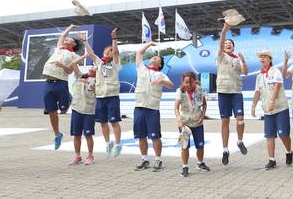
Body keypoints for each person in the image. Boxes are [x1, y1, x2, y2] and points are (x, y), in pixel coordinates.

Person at [133, 42, 175, 172]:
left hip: (152, 108)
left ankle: (158, 160)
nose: (154, 57)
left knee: (155, 135)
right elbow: (139, 53)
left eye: (157, 58)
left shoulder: (161, 74)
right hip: (139, 106)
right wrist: (149, 44)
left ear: (160, 64)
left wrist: (161, 82)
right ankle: (144, 159)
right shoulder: (142, 68)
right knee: (141, 135)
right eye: (153, 57)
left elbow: (171, 85)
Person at [83, 28, 123, 157]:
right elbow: (90, 53)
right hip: (100, 96)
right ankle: (108, 143)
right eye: (106, 50)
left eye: (110, 51)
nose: (108, 52)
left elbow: (116, 53)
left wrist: (114, 39)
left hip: (112, 96)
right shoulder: (99, 63)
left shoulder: (116, 64)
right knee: (102, 122)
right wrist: (85, 41)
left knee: (114, 121)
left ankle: (117, 144)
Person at [42, 24, 83, 150]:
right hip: (48, 82)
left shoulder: (74, 56)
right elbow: (63, 35)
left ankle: (68, 98)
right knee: (51, 112)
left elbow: (70, 71)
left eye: (70, 39)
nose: (66, 39)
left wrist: (62, 66)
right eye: (66, 38)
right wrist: (71, 27)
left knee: (64, 110)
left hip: (61, 82)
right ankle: (57, 134)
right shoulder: (59, 48)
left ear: (74, 44)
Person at [251, 50, 292, 170]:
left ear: (270, 59)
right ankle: (272, 159)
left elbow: (278, 86)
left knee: (283, 134)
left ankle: (289, 151)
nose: (262, 59)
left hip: (280, 107)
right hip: (267, 110)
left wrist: (272, 101)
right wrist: (253, 106)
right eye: (261, 57)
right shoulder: (259, 76)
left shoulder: (275, 71)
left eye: (265, 57)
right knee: (269, 135)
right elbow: (257, 92)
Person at [216, 23, 249, 165]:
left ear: (234, 47)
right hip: (223, 92)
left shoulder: (237, 59)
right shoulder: (220, 56)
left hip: (236, 92)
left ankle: (240, 141)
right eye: (226, 43)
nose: (228, 44)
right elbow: (221, 41)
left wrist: (243, 60)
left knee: (240, 119)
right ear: (223, 46)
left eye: (231, 43)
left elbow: (246, 72)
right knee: (225, 121)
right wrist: (225, 29)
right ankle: (225, 150)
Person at [175, 72, 210, 177]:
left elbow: (204, 105)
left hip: (197, 123)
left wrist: (202, 116)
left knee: (200, 145)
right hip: (185, 123)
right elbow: (176, 107)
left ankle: (200, 163)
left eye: (190, 82)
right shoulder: (180, 91)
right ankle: (185, 166)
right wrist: (179, 120)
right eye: (186, 82)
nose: (188, 85)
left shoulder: (199, 90)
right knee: (185, 146)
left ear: (195, 81)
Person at [68, 55, 97, 166]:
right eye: (92, 65)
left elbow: (100, 92)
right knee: (76, 135)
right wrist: (85, 56)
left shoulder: (98, 80)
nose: (92, 67)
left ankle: (90, 156)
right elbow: (73, 64)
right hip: (76, 109)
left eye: (95, 67)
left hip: (89, 110)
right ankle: (77, 157)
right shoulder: (80, 76)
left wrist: (93, 87)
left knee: (88, 134)